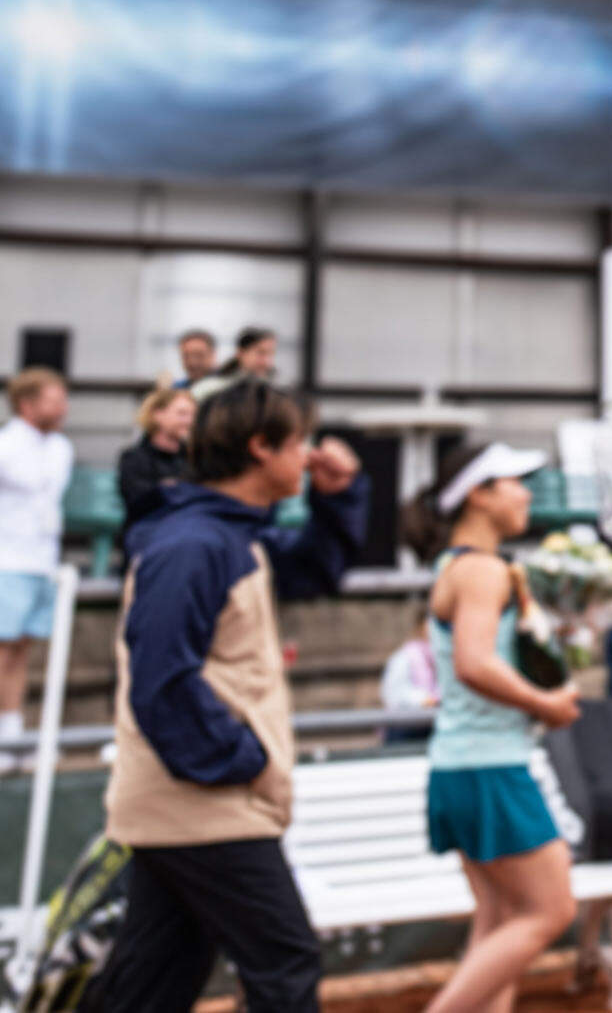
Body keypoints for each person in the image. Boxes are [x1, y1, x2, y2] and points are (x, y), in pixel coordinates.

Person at [84, 380, 368, 1013]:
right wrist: (241, 760)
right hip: (204, 801)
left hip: (189, 799)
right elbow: (161, 678)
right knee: (284, 965)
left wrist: (338, 499)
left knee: (151, 984)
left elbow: (315, 570)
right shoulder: (194, 542)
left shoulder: (225, 534)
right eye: (299, 442)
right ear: (261, 447)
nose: (309, 455)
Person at [401, 442, 581, 1013]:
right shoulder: (482, 569)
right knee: (550, 912)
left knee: (501, 919)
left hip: (465, 765)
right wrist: (546, 704)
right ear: (478, 495)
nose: (527, 494)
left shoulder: (458, 566)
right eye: (513, 482)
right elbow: (474, 663)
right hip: (489, 767)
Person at [0, 368, 73, 774]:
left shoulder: (61, 448)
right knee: (2, 651)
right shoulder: (5, 445)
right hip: (6, 561)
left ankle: (14, 735)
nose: (63, 408)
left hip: (43, 561)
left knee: (22, 651)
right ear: (27, 404)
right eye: (53, 400)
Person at [116, 387, 196, 564]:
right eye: (182, 414)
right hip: (147, 543)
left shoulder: (195, 460)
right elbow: (136, 501)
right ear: (158, 415)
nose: (189, 421)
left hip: (189, 543)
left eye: (192, 415)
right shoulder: (134, 458)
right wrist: (166, 489)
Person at [379, 603, 440, 746]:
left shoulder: (447, 656)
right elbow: (393, 694)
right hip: (408, 730)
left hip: (436, 726)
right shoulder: (405, 657)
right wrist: (424, 700)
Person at [191, 327, 278, 403]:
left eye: (271, 354)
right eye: (261, 353)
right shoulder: (209, 390)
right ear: (241, 353)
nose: (267, 362)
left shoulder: (276, 393)